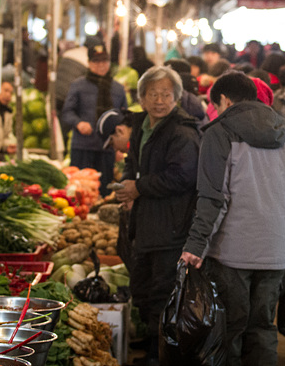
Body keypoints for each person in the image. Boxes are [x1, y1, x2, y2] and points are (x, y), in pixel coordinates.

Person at [181, 71, 285, 366]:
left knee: (231, 330)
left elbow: (213, 198)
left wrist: (195, 246)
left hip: (232, 253)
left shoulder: (219, 133)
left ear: (224, 100)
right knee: (263, 329)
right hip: (276, 252)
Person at [115, 66, 200, 366]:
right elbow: (132, 160)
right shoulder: (141, 125)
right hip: (146, 221)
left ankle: (159, 355)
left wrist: (138, 187)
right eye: (153, 94)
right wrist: (127, 185)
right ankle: (152, 345)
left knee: (163, 292)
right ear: (142, 97)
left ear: (176, 97)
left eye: (166, 94)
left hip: (171, 225)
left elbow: (182, 177)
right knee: (144, 287)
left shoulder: (183, 132)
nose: (160, 100)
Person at [62, 43, 128, 195]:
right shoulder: (77, 85)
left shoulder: (118, 89)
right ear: (89, 63)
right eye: (96, 61)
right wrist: (78, 123)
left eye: (104, 61)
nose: (101, 65)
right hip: (83, 147)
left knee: (104, 192)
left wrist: (121, 147)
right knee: (79, 190)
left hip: (107, 149)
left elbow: (125, 120)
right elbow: (67, 112)